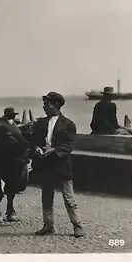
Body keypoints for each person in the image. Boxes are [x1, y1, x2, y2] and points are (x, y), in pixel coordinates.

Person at [29, 92, 84, 238]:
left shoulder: (68, 124)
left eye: (47, 104)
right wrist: (36, 148)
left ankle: (77, 225)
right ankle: (48, 226)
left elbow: (69, 145)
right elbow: (34, 141)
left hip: (61, 166)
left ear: (56, 105)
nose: (44, 107)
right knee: (46, 197)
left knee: (69, 197)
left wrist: (54, 150)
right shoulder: (40, 123)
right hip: (46, 166)